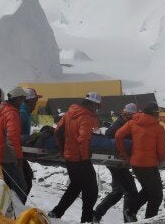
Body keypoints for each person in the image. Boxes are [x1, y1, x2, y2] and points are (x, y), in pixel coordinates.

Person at [48, 92, 102, 223]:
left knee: (76, 186)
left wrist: (63, 149)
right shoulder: (86, 117)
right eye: (97, 106)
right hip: (80, 159)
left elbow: (58, 131)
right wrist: (84, 157)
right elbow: (83, 139)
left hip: (70, 157)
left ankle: (56, 213)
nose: (97, 109)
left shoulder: (69, 113)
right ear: (92, 104)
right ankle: (87, 219)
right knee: (92, 190)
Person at [116, 102, 165, 222]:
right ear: (155, 113)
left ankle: (130, 211)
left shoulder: (133, 122)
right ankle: (147, 219)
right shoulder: (158, 128)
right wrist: (162, 159)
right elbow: (161, 148)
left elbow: (118, 135)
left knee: (148, 190)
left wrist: (123, 153)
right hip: (149, 165)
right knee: (157, 196)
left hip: (136, 164)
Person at [93, 103, 139, 223]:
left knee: (118, 192)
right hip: (116, 162)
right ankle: (128, 219)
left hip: (120, 161)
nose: (131, 117)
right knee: (131, 191)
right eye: (129, 115)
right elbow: (108, 140)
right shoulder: (117, 125)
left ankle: (97, 214)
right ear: (125, 113)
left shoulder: (127, 123)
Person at [0, 87, 28, 203]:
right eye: (22, 99)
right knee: (21, 187)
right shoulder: (12, 114)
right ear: (18, 99)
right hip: (10, 157)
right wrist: (18, 157)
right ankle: (19, 213)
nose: (23, 102)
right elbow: (12, 138)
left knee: (6, 185)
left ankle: (8, 209)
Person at [20, 88, 42, 201]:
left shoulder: (25, 112)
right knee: (26, 182)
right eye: (35, 101)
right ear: (29, 101)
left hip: (19, 151)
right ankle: (18, 207)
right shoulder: (22, 113)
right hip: (16, 152)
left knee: (27, 178)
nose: (36, 104)